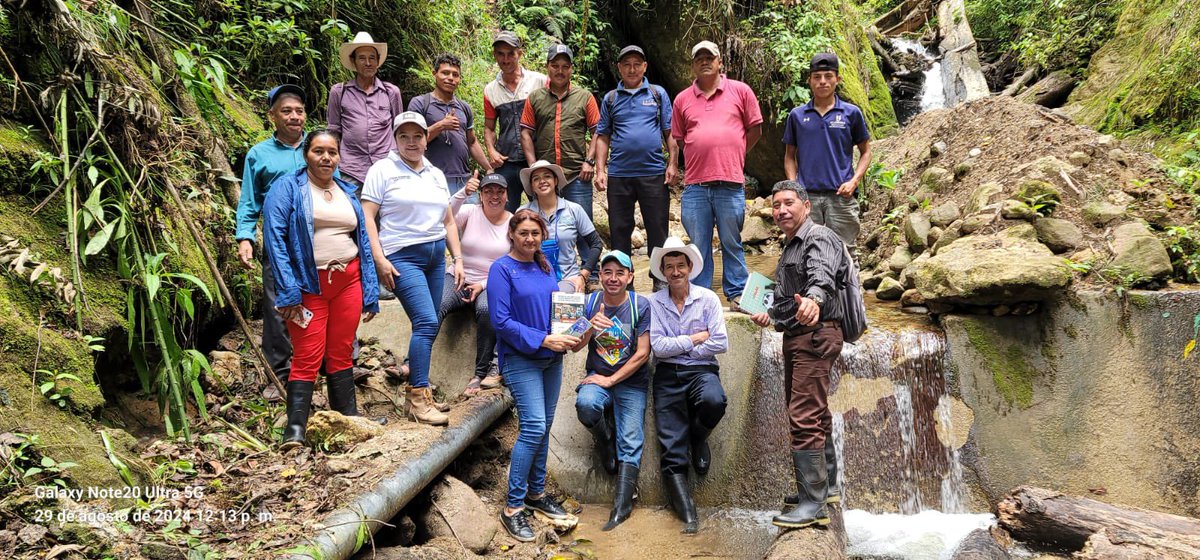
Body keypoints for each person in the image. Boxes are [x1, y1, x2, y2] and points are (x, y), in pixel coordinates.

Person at [261, 129, 380, 450]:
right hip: (308, 286)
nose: (326, 157)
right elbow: (275, 241)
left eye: (332, 152)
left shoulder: (347, 190)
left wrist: (370, 289)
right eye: (318, 151)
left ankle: (348, 419)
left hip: (348, 282)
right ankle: (295, 429)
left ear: (339, 156)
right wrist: (287, 291)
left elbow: (363, 242)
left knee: (341, 350)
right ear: (306, 154)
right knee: (307, 355)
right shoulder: (287, 189)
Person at [750, 181, 847, 528]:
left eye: (788, 203)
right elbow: (787, 299)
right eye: (776, 206)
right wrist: (770, 314)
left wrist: (814, 300)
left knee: (803, 416)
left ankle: (813, 504)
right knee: (815, 413)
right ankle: (827, 488)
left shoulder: (817, 237)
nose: (781, 211)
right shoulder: (791, 244)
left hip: (815, 335)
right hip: (799, 336)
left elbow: (822, 278)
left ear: (805, 205)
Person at [362, 112, 463, 426]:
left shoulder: (434, 172)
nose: (411, 142)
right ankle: (417, 398)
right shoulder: (382, 170)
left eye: (417, 135)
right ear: (395, 138)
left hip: (435, 258)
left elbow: (447, 221)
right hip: (403, 257)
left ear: (425, 138)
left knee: (429, 326)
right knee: (426, 321)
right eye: (404, 136)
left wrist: (457, 259)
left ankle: (421, 391)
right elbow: (367, 218)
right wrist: (378, 259)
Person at [488, 209, 582, 542]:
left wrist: (573, 332)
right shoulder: (501, 269)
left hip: (551, 358)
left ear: (543, 235)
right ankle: (512, 507)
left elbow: (556, 308)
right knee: (534, 426)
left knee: (545, 426)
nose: (530, 238)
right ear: (512, 234)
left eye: (536, 233)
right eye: (524, 232)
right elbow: (500, 322)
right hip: (521, 358)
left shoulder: (545, 265)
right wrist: (543, 338)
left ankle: (536, 494)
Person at [669, 40, 762, 306]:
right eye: (699, 58)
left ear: (720, 62)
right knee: (698, 246)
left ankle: (737, 295)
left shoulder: (741, 91)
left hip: (730, 182)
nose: (705, 61)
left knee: (732, 242)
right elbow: (680, 138)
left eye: (710, 57)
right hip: (696, 185)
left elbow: (754, 130)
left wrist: (735, 151)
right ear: (693, 66)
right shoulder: (682, 99)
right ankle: (700, 297)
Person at [648, 237, 729, 534]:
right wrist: (695, 339)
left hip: (702, 371)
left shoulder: (708, 298)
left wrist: (682, 349)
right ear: (663, 272)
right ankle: (690, 517)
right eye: (669, 267)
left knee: (714, 401)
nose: (675, 271)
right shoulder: (654, 302)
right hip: (667, 376)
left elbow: (721, 342)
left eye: (680, 265)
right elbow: (658, 347)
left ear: (690, 267)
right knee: (671, 449)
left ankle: (698, 437)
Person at [235, 84, 309, 398]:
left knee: (321, 298)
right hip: (278, 242)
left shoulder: (317, 147)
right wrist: (245, 236)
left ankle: (333, 362)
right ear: (272, 116)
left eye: (299, 111)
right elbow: (249, 201)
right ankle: (280, 374)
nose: (294, 117)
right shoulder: (259, 154)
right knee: (278, 304)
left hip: (317, 239)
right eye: (286, 111)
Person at [570, 249, 652, 531]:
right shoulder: (590, 302)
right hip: (598, 376)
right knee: (586, 404)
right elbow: (574, 345)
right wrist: (590, 327)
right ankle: (605, 441)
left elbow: (643, 354)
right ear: (600, 275)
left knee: (631, 439)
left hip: (631, 381)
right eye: (607, 272)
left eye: (620, 273)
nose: (613, 278)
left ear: (630, 276)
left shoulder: (640, 305)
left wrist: (610, 380)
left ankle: (622, 504)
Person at [594, 45, 674, 285]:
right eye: (626, 64)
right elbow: (603, 136)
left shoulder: (657, 94)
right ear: (619, 68)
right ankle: (623, 284)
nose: (632, 69)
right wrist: (601, 169)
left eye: (636, 64)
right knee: (619, 230)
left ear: (644, 67)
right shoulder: (610, 99)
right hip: (619, 175)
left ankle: (659, 280)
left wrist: (673, 163)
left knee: (658, 229)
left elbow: (669, 132)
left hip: (653, 174)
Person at [783, 53, 873, 249]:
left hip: (842, 196)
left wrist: (854, 181)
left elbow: (866, 151)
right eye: (817, 77)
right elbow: (790, 156)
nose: (822, 81)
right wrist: (793, 186)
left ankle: (849, 282)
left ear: (837, 79)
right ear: (809, 81)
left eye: (828, 76)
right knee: (805, 250)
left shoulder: (851, 113)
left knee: (845, 252)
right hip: (807, 198)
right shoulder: (797, 116)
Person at [437, 172, 511, 396]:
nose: (494, 196)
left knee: (487, 310)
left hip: (492, 282)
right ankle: (413, 364)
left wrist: (484, 284)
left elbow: (512, 262)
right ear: (481, 195)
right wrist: (463, 193)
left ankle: (480, 373)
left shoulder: (513, 221)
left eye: (499, 191)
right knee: (437, 305)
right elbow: (444, 216)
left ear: (507, 195)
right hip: (460, 275)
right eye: (488, 191)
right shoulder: (470, 211)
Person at [520, 44, 601, 221]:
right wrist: (534, 167)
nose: (560, 71)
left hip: (577, 176)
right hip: (544, 177)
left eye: (565, 66)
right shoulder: (535, 98)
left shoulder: (585, 97)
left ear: (571, 69)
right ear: (547, 66)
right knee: (542, 229)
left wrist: (590, 161)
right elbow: (525, 133)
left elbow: (598, 131)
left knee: (584, 232)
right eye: (555, 66)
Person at [408, 53, 493, 199]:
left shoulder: (463, 107)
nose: (450, 78)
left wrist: (489, 168)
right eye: (445, 73)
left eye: (455, 74)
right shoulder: (420, 103)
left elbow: (472, 142)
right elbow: (412, 142)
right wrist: (441, 125)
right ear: (434, 74)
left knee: (468, 220)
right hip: (432, 180)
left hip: (464, 179)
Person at [327, 32, 405, 187]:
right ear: (353, 61)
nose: (368, 62)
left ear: (377, 61)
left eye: (372, 58)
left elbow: (400, 129)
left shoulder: (391, 92)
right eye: (362, 58)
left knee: (388, 211)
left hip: (387, 167)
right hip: (351, 169)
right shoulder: (339, 91)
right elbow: (334, 130)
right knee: (352, 211)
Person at [484, 31, 547, 212]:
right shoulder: (490, 90)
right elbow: (489, 127)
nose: (506, 59)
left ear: (519, 53)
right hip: (507, 160)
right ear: (495, 56)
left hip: (537, 158)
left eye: (510, 53)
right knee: (504, 212)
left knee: (544, 209)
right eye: (500, 54)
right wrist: (491, 151)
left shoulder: (540, 81)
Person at [520, 160, 603, 294]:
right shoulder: (523, 213)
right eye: (536, 179)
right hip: (532, 278)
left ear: (556, 180)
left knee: (560, 301)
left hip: (568, 279)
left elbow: (596, 243)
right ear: (532, 186)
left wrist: (583, 276)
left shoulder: (574, 209)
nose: (542, 181)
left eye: (547, 176)